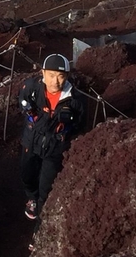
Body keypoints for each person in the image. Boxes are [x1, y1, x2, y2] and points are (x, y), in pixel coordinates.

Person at [18, 53, 86, 221]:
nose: (55, 81)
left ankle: (40, 223)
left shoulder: (75, 99)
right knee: (27, 174)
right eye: (51, 75)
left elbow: (80, 124)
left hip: (55, 147)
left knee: (46, 187)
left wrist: (64, 134)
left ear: (67, 76)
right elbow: (22, 102)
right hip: (31, 140)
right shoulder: (31, 87)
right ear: (43, 73)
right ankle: (32, 198)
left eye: (61, 76)